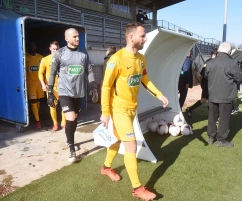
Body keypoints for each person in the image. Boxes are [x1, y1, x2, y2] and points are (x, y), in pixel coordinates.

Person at [100, 22, 169, 200]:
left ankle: (106, 167)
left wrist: (160, 95)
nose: (145, 38)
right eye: (143, 36)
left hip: (132, 109)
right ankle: (137, 188)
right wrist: (105, 112)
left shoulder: (141, 59)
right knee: (130, 146)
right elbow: (106, 87)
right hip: (119, 109)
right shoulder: (116, 59)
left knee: (117, 139)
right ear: (131, 37)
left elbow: (145, 80)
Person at [48, 28, 97, 163]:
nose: (77, 38)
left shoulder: (83, 53)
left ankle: (70, 139)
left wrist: (93, 87)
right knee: (69, 118)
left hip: (78, 93)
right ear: (67, 38)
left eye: (78, 36)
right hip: (64, 92)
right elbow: (52, 73)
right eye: (74, 36)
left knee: (74, 119)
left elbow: (89, 71)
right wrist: (50, 91)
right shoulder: (60, 53)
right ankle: (71, 149)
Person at [204, 42, 242, 147]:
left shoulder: (210, 62)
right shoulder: (232, 63)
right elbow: (239, 78)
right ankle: (221, 140)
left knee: (212, 117)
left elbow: (205, 74)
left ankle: (211, 137)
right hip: (226, 95)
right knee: (224, 118)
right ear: (229, 52)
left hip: (213, 94)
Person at [38, 41, 66, 131]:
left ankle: (64, 122)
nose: (55, 50)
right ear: (50, 48)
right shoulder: (45, 59)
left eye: (57, 49)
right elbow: (40, 73)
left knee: (65, 105)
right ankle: (55, 123)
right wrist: (43, 84)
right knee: (52, 106)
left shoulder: (64, 59)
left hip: (63, 86)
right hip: (51, 87)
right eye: (53, 49)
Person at [186, 48, 217, 117]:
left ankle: (190, 109)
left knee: (204, 99)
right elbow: (203, 72)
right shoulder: (209, 62)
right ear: (214, 54)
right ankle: (212, 117)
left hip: (208, 84)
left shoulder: (210, 62)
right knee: (210, 99)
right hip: (207, 84)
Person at [26, 41, 44, 129]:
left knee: (38, 101)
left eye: (34, 46)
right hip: (31, 83)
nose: (32, 47)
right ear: (28, 47)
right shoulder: (25, 57)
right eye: (30, 46)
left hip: (39, 83)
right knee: (33, 101)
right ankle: (38, 121)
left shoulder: (41, 57)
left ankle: (37, 116)